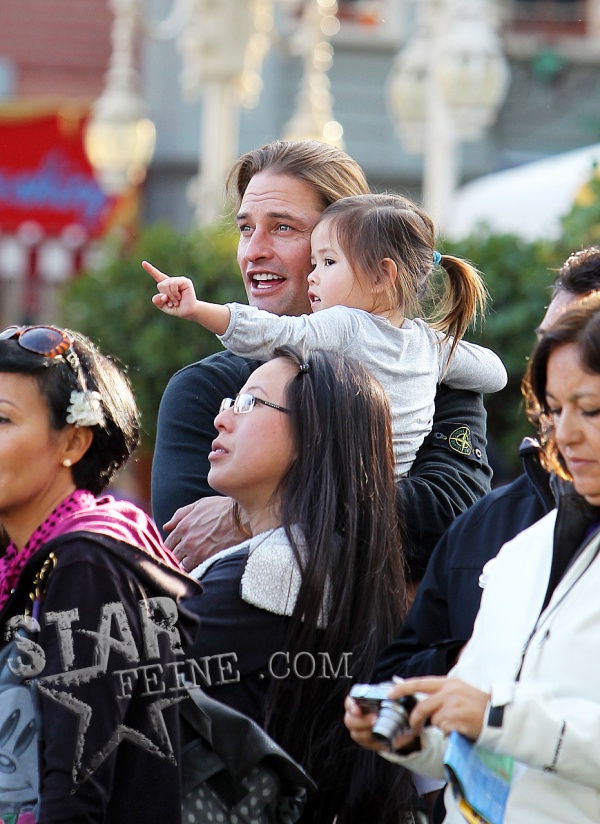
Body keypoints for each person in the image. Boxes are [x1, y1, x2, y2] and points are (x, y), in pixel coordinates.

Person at [150, 140, 492, 578]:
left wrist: (247, 515)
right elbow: (191, 551)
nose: (253, 251)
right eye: (245, 229)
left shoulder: (433, 369)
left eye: (283, 228)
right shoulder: (205, 390)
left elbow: (449, 517)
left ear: (356, 240)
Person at [344, 294, 600, 823]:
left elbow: (505, 721)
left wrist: (496, 716)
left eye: (591, 409)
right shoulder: (520, 550)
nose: (566, 433)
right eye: (553, 409)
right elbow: (492, 757)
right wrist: (415, 733)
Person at [183, 345, 418, 824]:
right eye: (230, 403)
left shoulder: (270, 580)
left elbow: (111, 680)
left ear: (313, 435)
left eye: (250, 403)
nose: (222, 419)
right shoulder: (337, 566)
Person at [144, 193, 506, 480]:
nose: (313, 276)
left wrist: (198, 309)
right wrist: (440, 357)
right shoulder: (429, 345)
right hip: (396, 494)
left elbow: (275, 333)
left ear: (382, 276)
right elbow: (495, 374)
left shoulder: (344, 325)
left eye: (327, 263)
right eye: (314, 263)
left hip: (328, 492)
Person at [0, 324, 201, 822]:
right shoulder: (27, 557)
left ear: (73, 441)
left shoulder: (86, 565)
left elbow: (76, 790)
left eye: (1, 420)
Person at [372, 246, 600, 682]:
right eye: (548, 340)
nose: (554, 364)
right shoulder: (493, 530)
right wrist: (462, 669)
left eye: (580, 342)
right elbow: (395, 676)